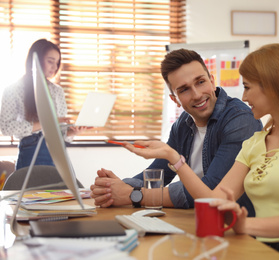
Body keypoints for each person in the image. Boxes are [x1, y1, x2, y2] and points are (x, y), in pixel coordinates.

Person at [125, 44, 279, 260]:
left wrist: (243, 224)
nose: (244, 97)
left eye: (247, 87)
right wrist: (173, 157)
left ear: (273, 86)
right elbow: (212, 198)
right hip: (255, 247)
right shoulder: (256, 143)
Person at [90, 49, 262, 215]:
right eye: (184, 89)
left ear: (212, 80)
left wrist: (132, 195)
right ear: (175, 99)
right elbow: (158, 174)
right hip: (198, 221)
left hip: (236, 228)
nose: (196, 94)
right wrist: (112, 188)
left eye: (200, 82)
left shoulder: (241, 120)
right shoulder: (182, 125)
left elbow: (210, 190)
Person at [0, 39, 87, 170]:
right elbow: (6, 128)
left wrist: (71, 132)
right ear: (35, 60)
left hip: (58, 152)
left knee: (63, 191)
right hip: (31, 150)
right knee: (32, 190)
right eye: (50, 61)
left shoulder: (57, 91)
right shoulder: (14, 89)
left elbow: (61, 133)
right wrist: (47, 123)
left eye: (57, 62)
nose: (55, 67)